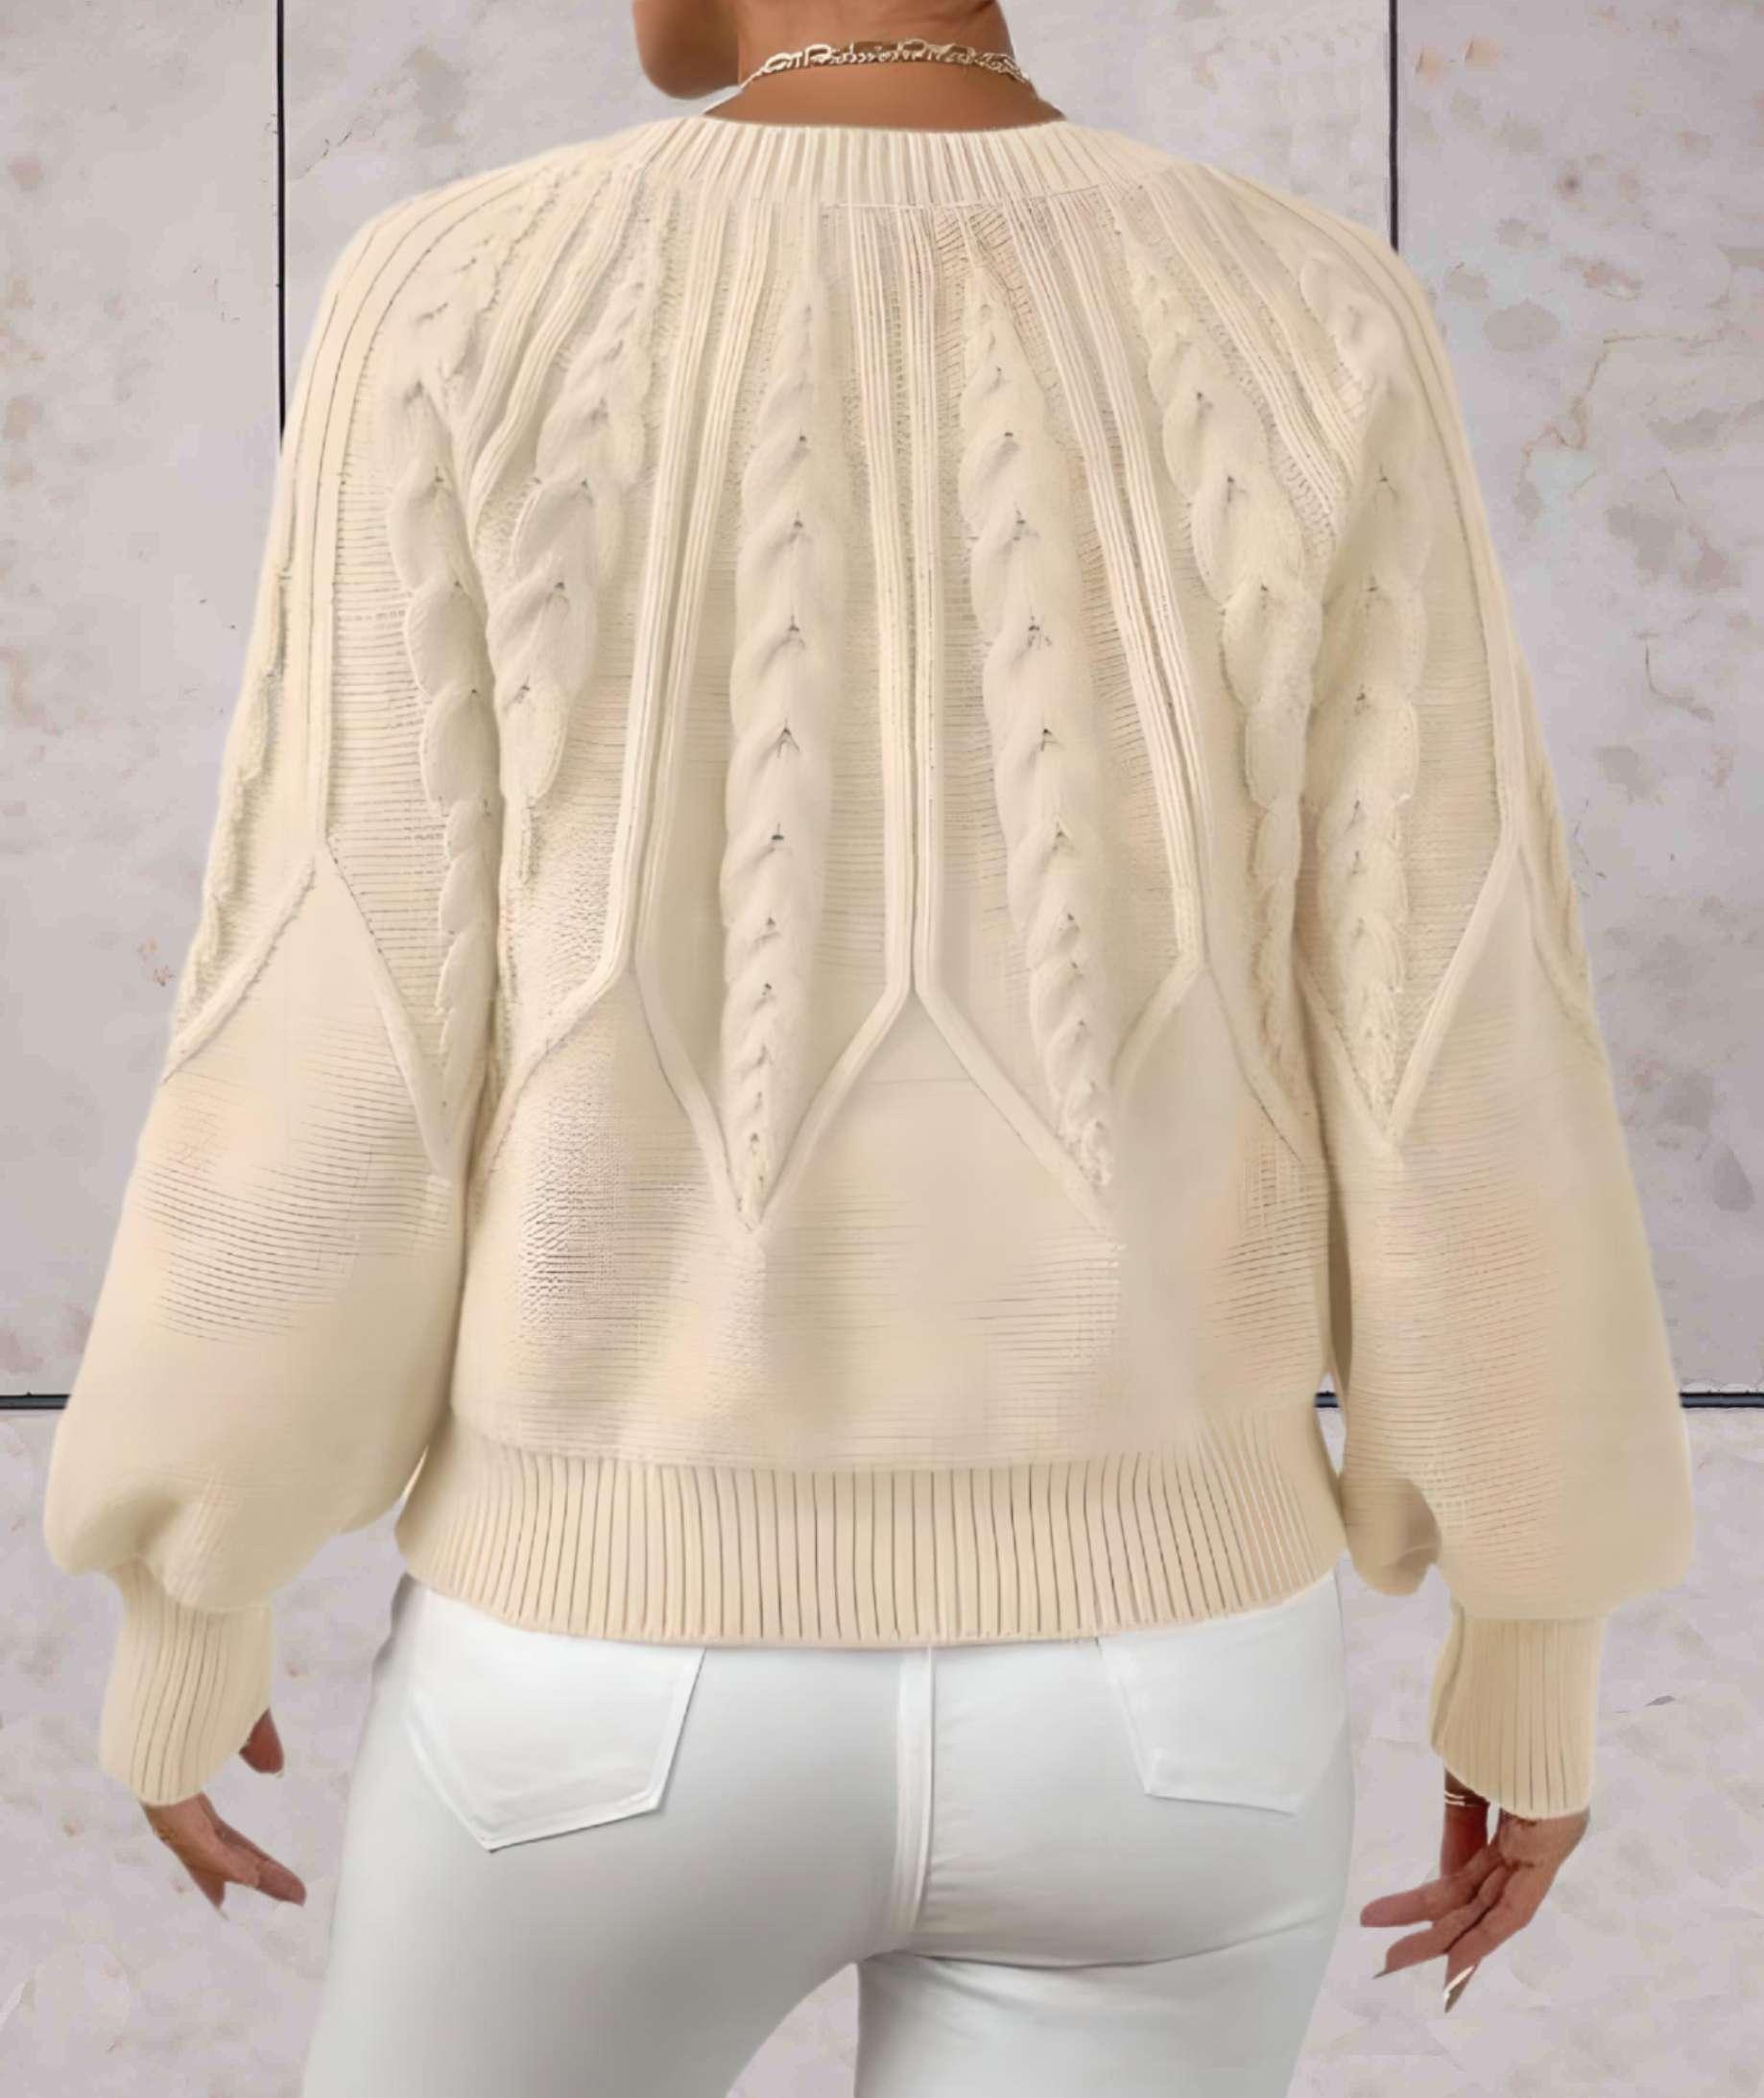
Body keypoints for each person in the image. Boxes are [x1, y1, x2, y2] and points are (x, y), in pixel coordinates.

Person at [42, 2, 1695, 2091]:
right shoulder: (1315, 311)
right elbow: (1455, 1021)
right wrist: (1528, 1640)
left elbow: (332, 1013)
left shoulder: (451, 293)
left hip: (603, 1676)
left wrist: (194, 1590)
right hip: (1172, 1700)